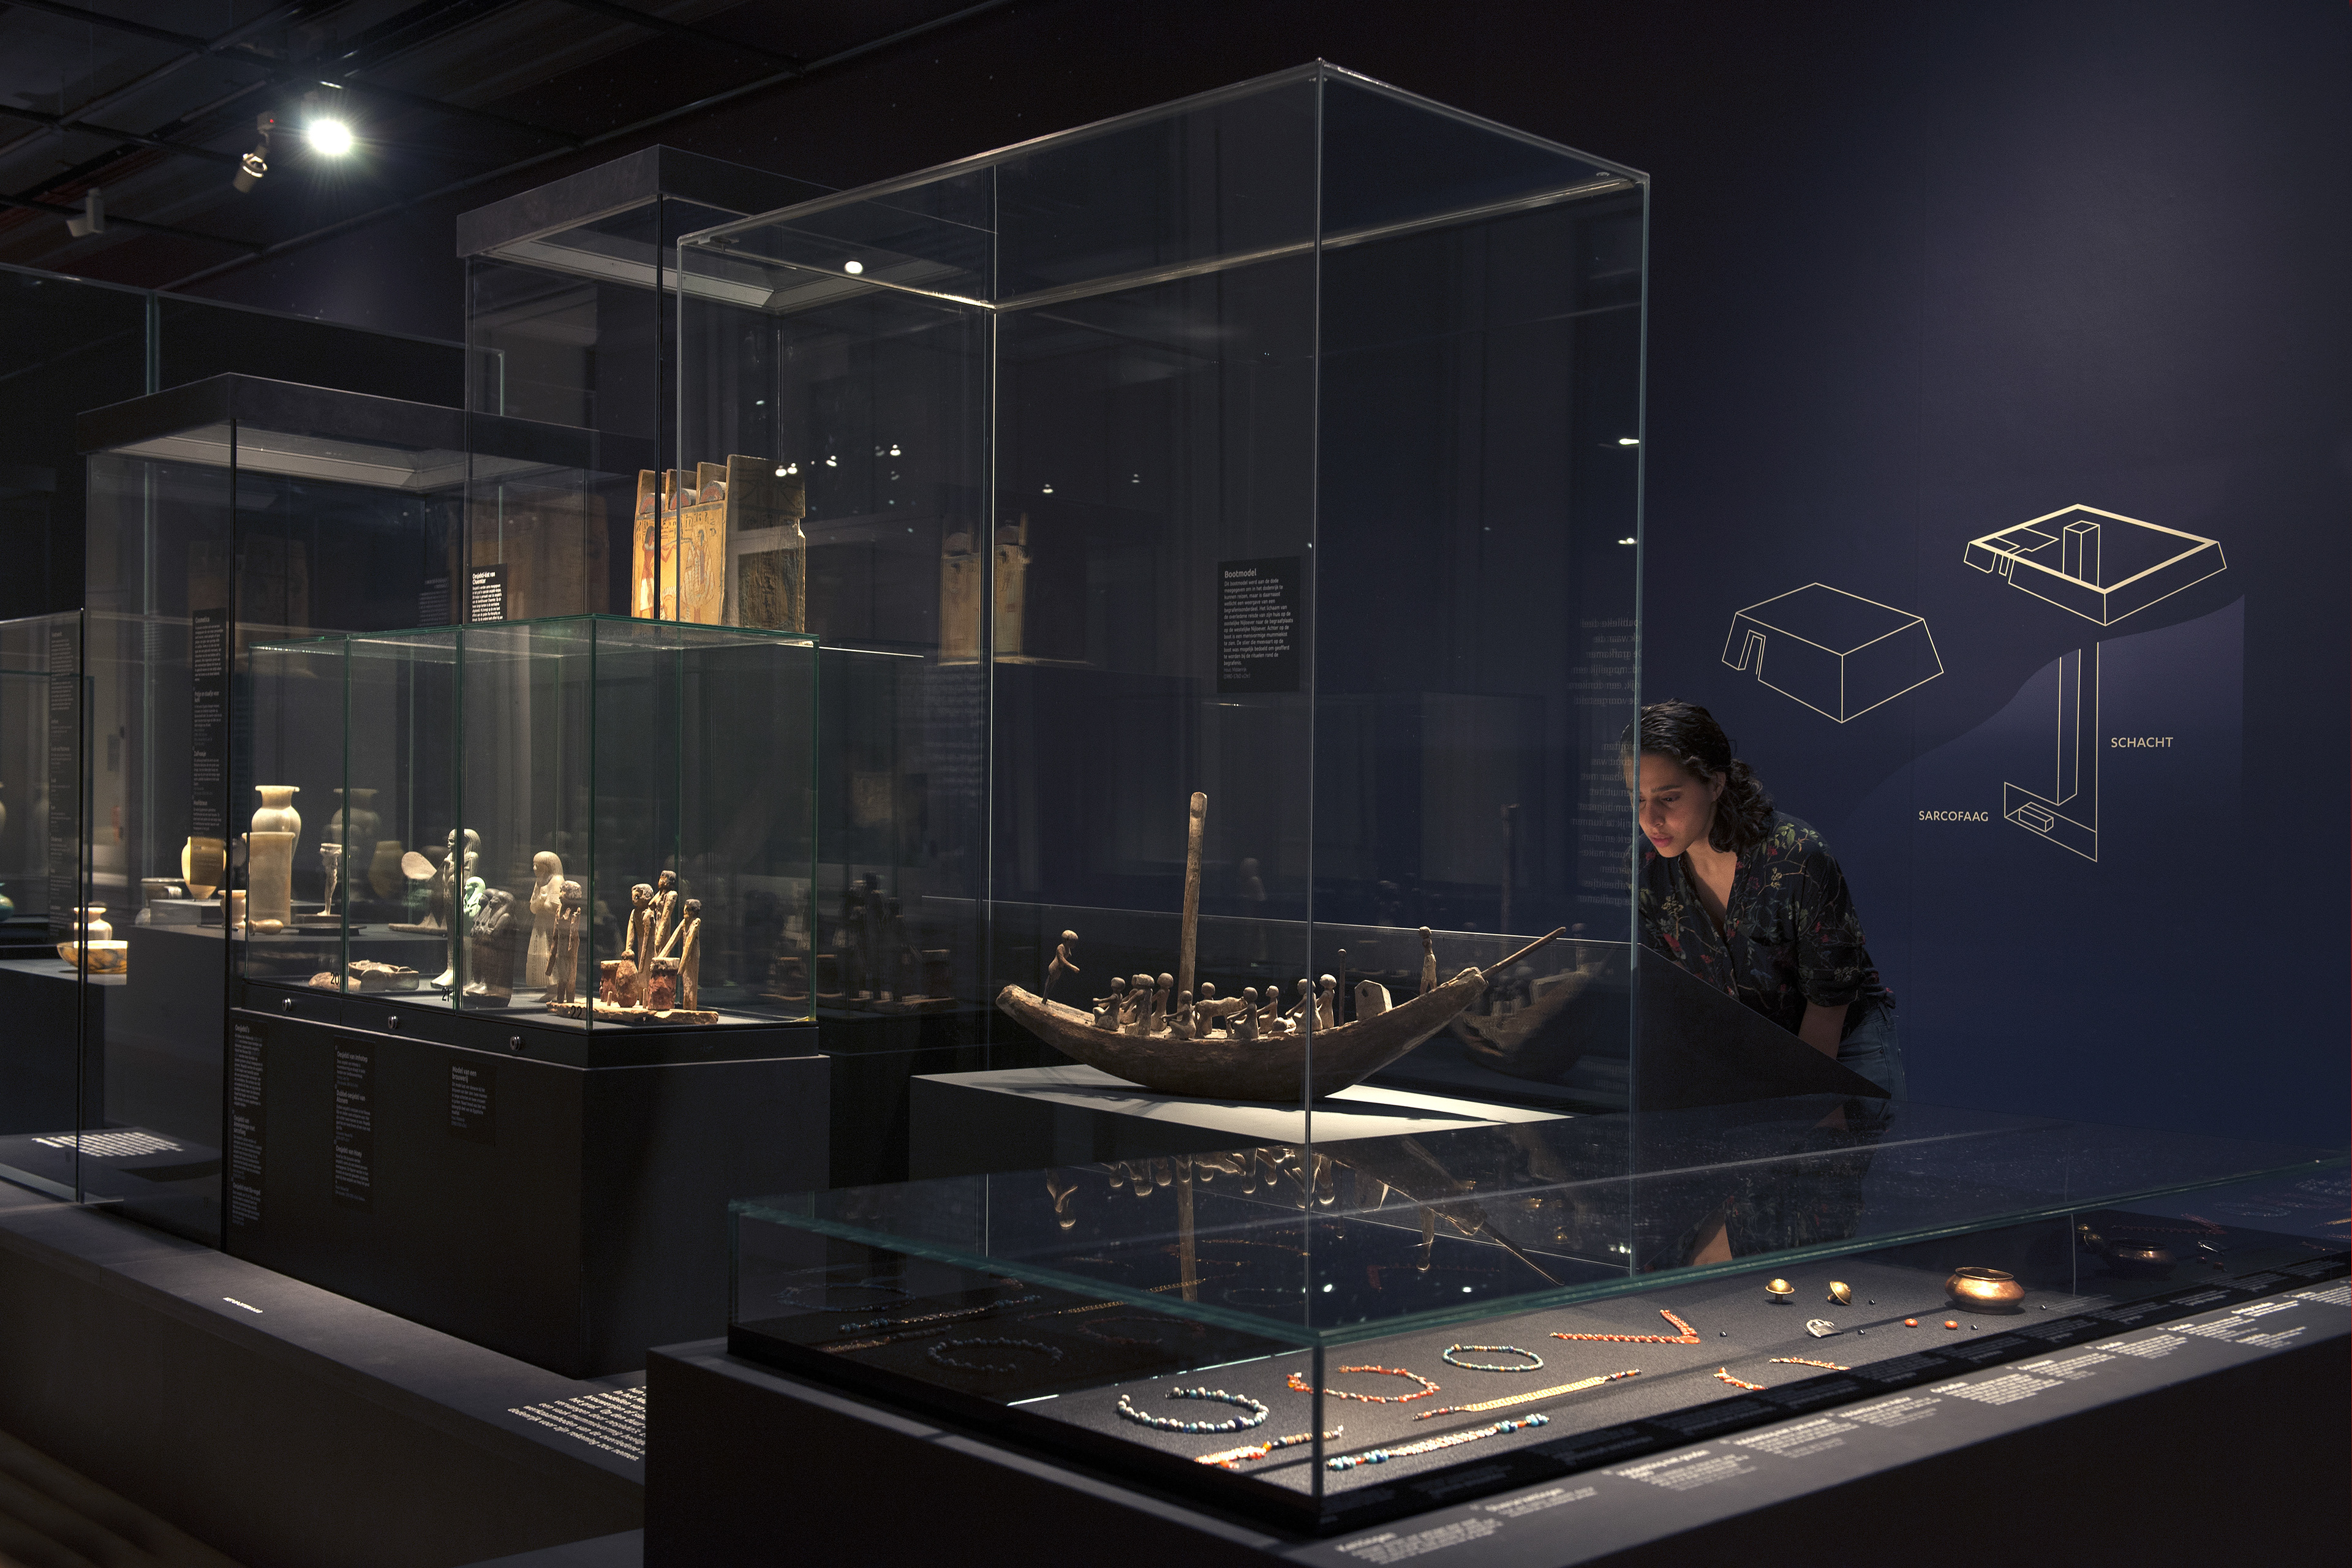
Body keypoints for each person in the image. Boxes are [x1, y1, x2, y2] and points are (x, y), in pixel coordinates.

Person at [1628, 699, 1903, 1096]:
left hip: (1842, 1047)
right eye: (1637, 798)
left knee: (1829, 1137)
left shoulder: (1797, 857)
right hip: (1742, 1051)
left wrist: (1811, 1109)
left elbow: (1827, 1005)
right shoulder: (1645, 866)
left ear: (1715, 784)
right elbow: (1673, 994)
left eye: (1668, 798)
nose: (1650, 819)